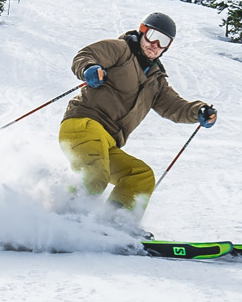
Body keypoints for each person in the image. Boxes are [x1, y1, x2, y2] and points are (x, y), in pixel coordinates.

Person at [58, 12, 217, 237]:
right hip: (83, 124)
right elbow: (87, 54)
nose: (154, 45)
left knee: (140, 176)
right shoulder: (121, 50)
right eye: (152, 36)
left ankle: (113, 226)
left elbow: (175, 106)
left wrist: (198, 111)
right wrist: (89, 69)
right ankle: (59, 217)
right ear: (142, 31)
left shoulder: (156, 81)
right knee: (96, 176)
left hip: (108, 141)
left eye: (163, 42)